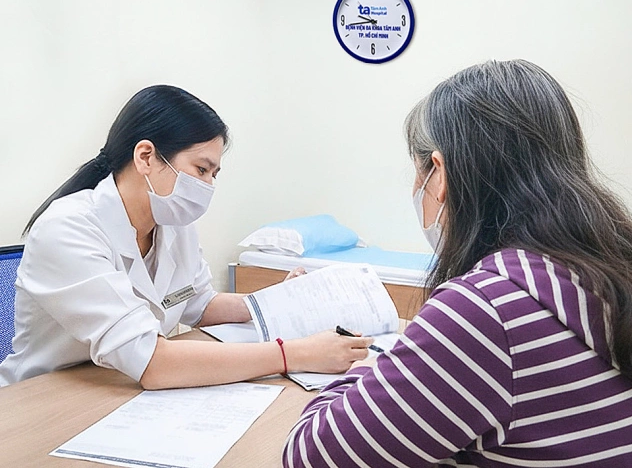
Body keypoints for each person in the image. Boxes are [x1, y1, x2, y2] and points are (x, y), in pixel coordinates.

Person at [283, 60, 632, 467]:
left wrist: (374, 367)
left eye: (418, 172)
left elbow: (311, 457)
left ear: (438, 173)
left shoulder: (486, 313)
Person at [0, 85, 372, 389]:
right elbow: (152, 362)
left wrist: (279, 300)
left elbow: (198, 304)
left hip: (113, 389)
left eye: (214, 174)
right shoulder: (68, 228)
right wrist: (294, 354)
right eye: (201, 169)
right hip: (43, 400)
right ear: (146, 157)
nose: (208, 186)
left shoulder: (172, 222)